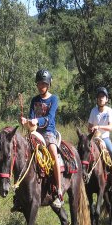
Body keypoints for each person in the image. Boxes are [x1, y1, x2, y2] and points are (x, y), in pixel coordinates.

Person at [19, 69, 63, 208]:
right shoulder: (34, 100)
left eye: (44, 83)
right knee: (20, 151)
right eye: (39, 83)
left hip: (48, 132)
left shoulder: (53, 99)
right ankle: (19, 193)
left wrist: (36, 121)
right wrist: (25, 121)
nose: (41, 86)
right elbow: (31, 117)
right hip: (34, 132)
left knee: (53, 153)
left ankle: (60, 191)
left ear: (48, 84)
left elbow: (50, 118)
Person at [88, 87, 112, 196]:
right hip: (95, 138)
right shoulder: (93, 111)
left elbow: (110, 127)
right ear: (97, 99)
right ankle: (84, 178)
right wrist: (91, 129)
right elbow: (89, 126)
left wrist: (98, 126)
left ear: (106, 99)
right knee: (84, 153)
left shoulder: (109, 111)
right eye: (99, 97)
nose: (101, 98)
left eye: (103, 97)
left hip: (105, 138)